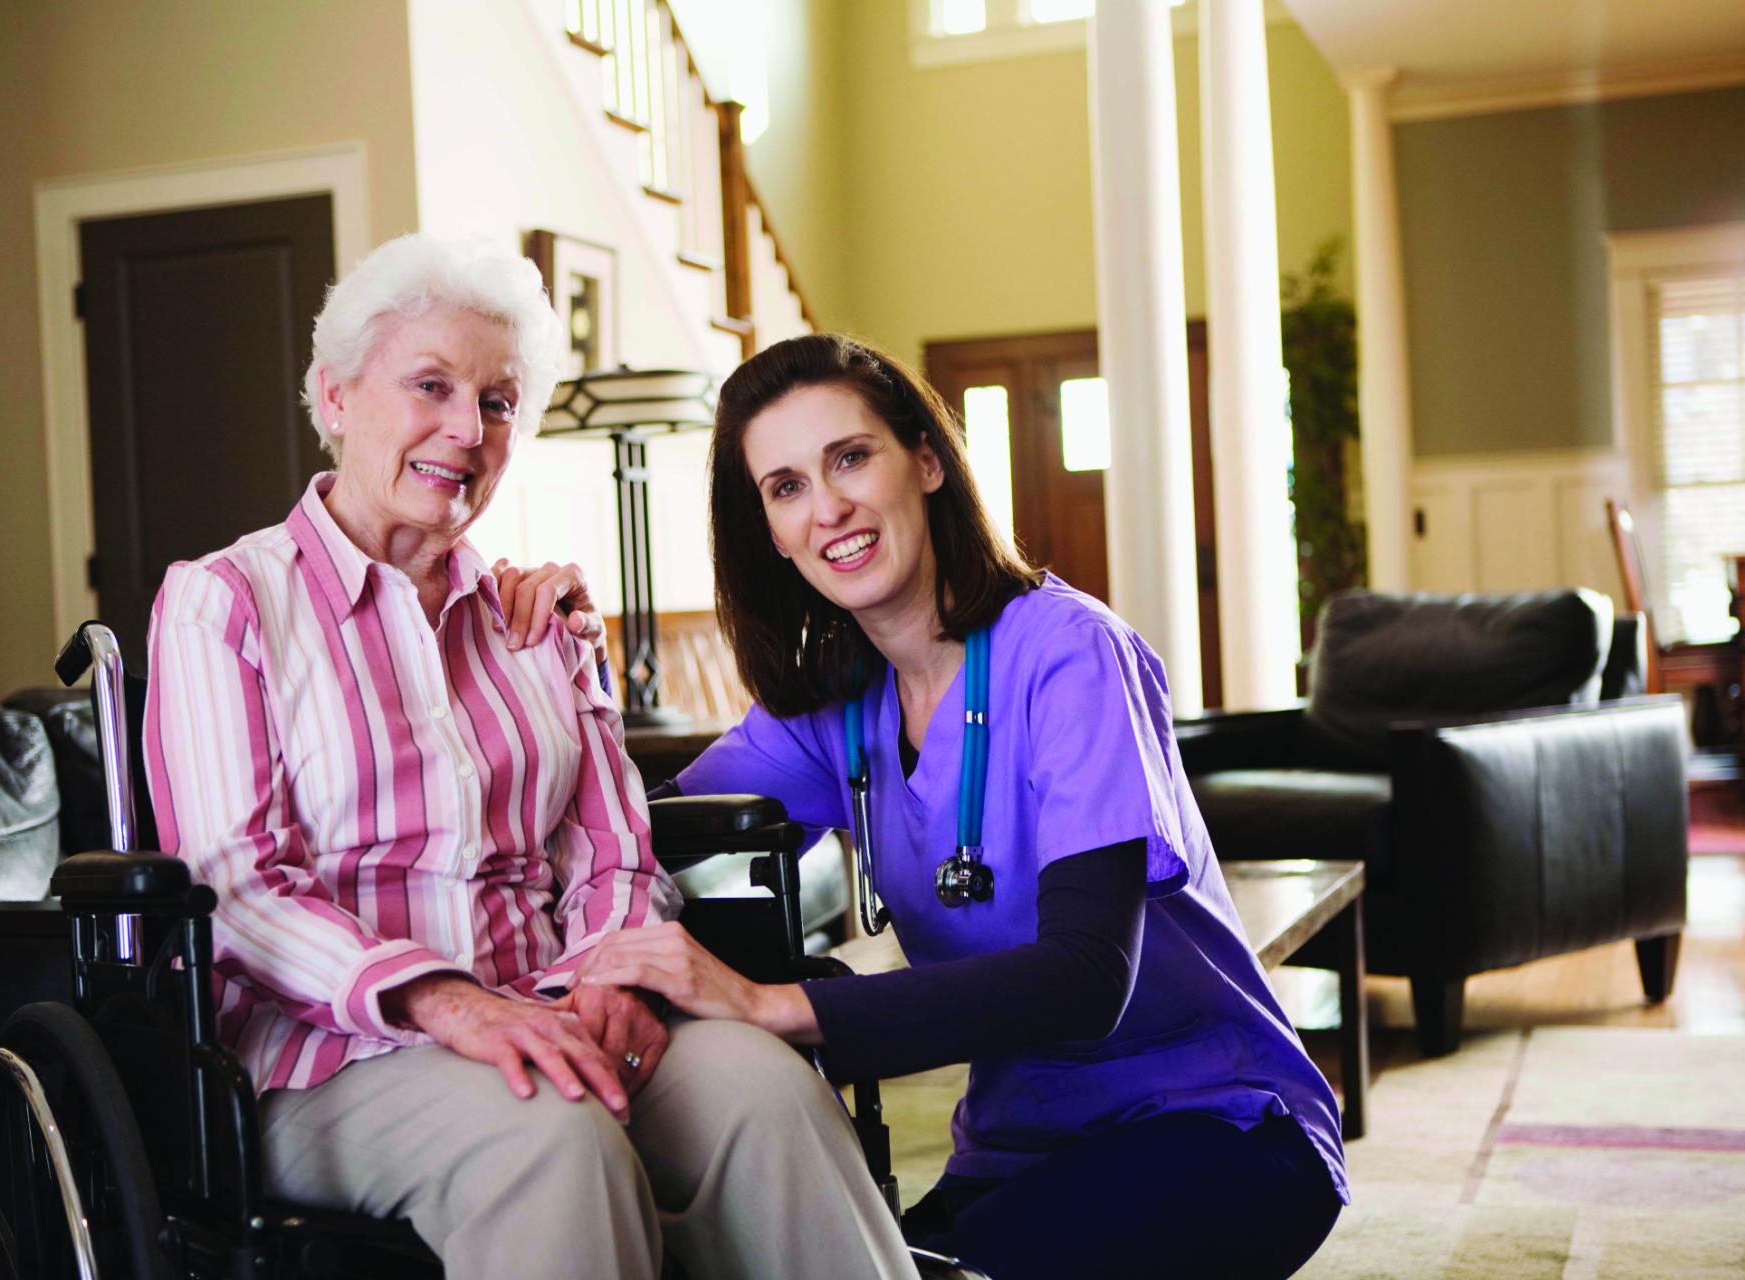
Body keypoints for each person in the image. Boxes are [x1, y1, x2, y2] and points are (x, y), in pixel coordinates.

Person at [144, 238, 918, 1280]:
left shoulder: (536, 617)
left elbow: (616, 855)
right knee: (552, 1133)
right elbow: (233, 887)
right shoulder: (227, 602)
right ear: (334, 396)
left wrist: (616, 979)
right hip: (334, 1056)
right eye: (432, 386)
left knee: (768, 1091)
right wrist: (444, 998)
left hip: (558, 1013)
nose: (466, 430)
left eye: (499, 402)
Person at [506, 333, 1348, 1279]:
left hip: (1218, 1122)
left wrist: (773, 1006)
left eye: (850, 458)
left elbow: (1084, 976)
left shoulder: (1068, 654)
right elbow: (641, 830)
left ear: (928, 460)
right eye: (785, 488)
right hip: (1020, 1149)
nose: (828, 510)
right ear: (771, 534)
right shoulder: (834, 703)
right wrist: (561, 669)